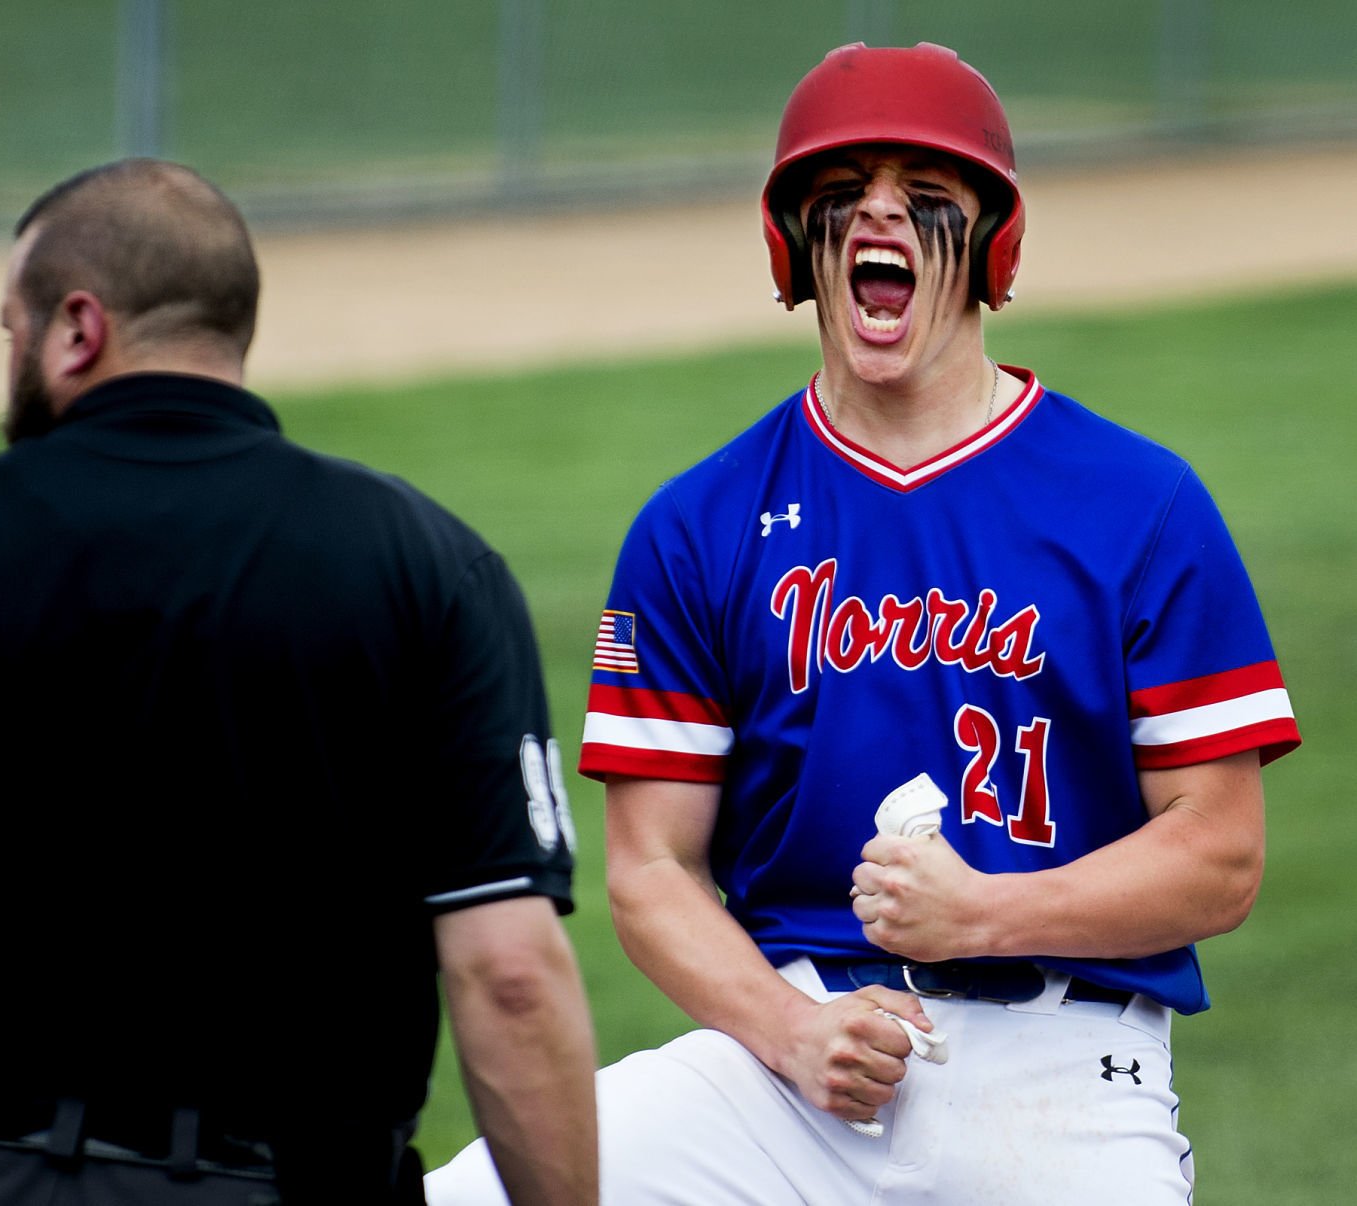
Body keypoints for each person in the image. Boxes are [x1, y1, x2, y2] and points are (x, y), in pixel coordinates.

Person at [426, 41, 1301, 1205]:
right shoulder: (698, 524)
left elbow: (1222, 856)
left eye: (925, 196)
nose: (877, 215)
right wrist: (787, 1030)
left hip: (1065, 1079)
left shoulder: (1137, 504)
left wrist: (983, 913)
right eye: (840, 194)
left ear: (991, 246)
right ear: (796, 244)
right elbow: (647, 869)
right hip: (787, 1070)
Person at [0, 158, 598, 1206]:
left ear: (77, 329)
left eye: (11, 329)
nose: (12, 357)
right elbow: (513, 977)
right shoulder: (428, 568)